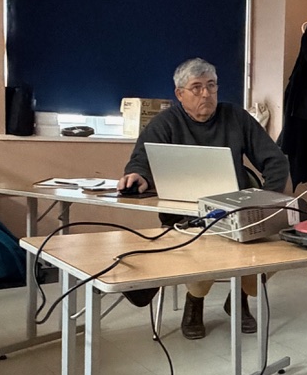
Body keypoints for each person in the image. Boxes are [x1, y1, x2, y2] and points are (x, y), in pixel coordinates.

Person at [121, 58, 289, 339]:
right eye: (197, 87)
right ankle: (194, 302)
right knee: (204, 242)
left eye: (211, 86)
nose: (206, 94)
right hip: (184, 215)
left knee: (281, 244)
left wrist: (265, 201)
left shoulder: (235, 117)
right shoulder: (166, 122)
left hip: (234, 213)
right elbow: (141, 160)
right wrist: (137, 175)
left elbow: (276, 161)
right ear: (180, 94)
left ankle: (240, 296)